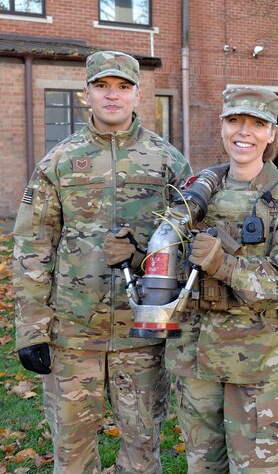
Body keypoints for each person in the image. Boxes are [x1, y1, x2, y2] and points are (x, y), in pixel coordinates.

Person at [13, 50, 192, 474]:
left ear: (137, 94)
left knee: (143, 450)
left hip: (144, 333)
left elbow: (189, 239)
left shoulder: (168, 160)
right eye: (102, 87)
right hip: (74, 334)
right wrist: (31, 329)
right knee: (72, 455)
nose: (113, 96)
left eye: (123, 87)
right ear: (85, 95)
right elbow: (32, 245)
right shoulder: (58, 163)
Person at [165, 86, 278, 474]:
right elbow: (167, 259)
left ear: (272, 133)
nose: (243, 132)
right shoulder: (197, 190)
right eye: (235, 120)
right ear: (222, 127)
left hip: (258, 367)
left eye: (257, 123)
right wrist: (136, 251)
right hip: (196, 362)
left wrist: (225, 265)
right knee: (202, 466)